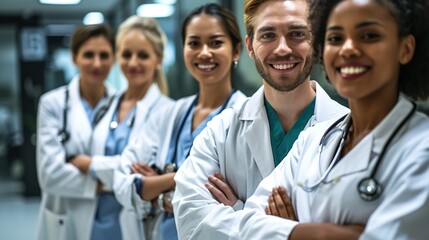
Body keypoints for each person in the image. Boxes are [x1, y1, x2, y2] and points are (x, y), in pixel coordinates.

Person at [225, 0, 429, 239]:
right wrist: (325, 233)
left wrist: (290, 230)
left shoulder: (420, 149)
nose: (348, 48)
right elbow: (248, 224)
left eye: (369, 35)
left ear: (405, 48)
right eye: (335, 38)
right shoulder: (312, 140)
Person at [172, 0, 348, 239]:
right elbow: (192, 226)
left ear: (316, 41)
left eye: (297, 33)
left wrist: (238, 212)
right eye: (268, 35)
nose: (282, 49)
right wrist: (297, 231)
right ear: (250, 46)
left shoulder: (349, 130)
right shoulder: (218, 134)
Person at [113, 3, 247, 240]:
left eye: (216, 43)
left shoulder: (247, 117)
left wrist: (159, 189)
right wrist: (185, 184)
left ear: (236, 50)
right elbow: (124, 183)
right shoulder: (168, 114)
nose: (204, 53)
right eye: (194, 43)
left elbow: (242, 204)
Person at [67, 16, 173, 240]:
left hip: (135, 220)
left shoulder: (168, 112)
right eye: (126, 54)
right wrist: (121, 173)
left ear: (159, 59)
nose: (133, 63)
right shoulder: (107, 104)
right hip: (93, 220)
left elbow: (136, 170)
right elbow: (132, 171)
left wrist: (89, 163)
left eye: (143, 55)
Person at [36, 24, 116, 240]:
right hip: (66, 219)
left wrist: (82, 163)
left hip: (112, 220)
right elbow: (50, 175)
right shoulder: (52, 104)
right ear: (74, 57)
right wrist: (100, 183)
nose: (97, 63)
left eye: (104, 55)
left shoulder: (123, 105)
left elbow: (131, 166)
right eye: (88, 55)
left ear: (114, 58)